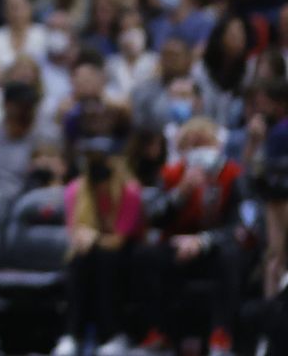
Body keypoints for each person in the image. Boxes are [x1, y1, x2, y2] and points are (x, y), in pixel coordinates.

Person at [132, 118, 241, 356]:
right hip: (177, 245)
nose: (199, 151)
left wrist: (202, 241)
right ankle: (160, 333)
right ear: (182, 150)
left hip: (214, 246)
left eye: (204, 143)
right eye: (192, 145)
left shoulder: (233, 174)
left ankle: (221, 335)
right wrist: (180, 194)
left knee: (231, 254)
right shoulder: (171, 174)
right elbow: (153, 217)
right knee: (145, 255)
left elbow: (240, 224)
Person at [52, 138, 142, 356]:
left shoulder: (129, 191)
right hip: (90, 252)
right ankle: (72, 335)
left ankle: (112, 334)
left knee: (105, 258)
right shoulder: (76, 189)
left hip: (126, 253)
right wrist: (87, 239)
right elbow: (76, 234)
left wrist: (93, 237)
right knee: (79, 259)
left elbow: (118, 240)